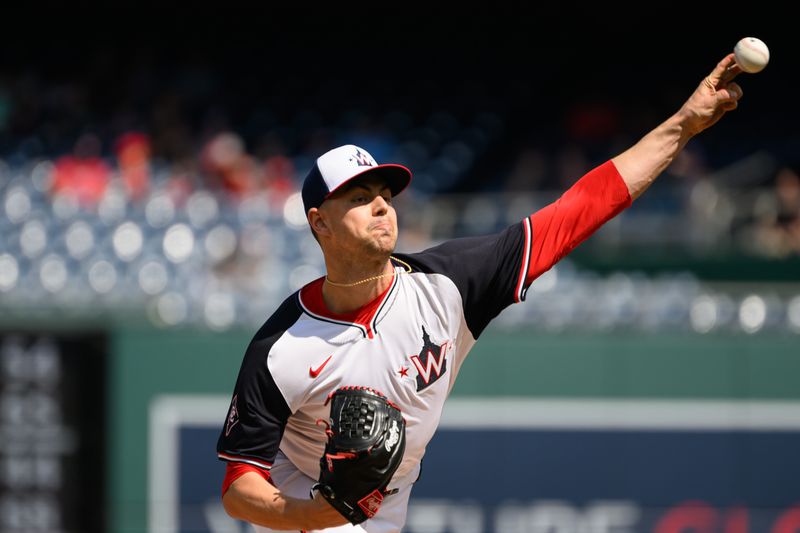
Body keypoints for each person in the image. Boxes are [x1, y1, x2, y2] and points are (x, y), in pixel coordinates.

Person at [216, 53, 744, 532]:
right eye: (359, 197)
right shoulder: (283, 346)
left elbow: (582, 207)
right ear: (320, 224)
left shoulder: (449, 284)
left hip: (385, 512)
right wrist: (315, 514)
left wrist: (684, 124)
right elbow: (240, 486)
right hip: (301, 508)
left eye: (385, 193)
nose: (382, 206)